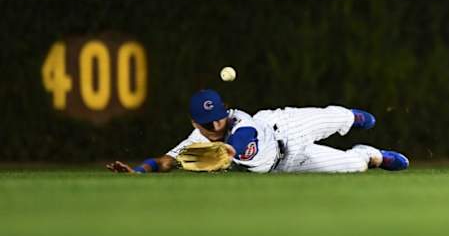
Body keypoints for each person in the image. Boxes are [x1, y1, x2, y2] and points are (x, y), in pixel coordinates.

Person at [107, 89, 409, 174]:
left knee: (336, 116)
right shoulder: (196, 142)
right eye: (208, 122)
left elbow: (243, 138)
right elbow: (166, 161)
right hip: (288, 164)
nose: (216, 125)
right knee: (354, 166)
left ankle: (350, 118)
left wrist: (227, 152)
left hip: (287, 127)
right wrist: (138, 171)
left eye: (218, 116)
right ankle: (372, 155)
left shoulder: (239, 120)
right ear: (195, 124)